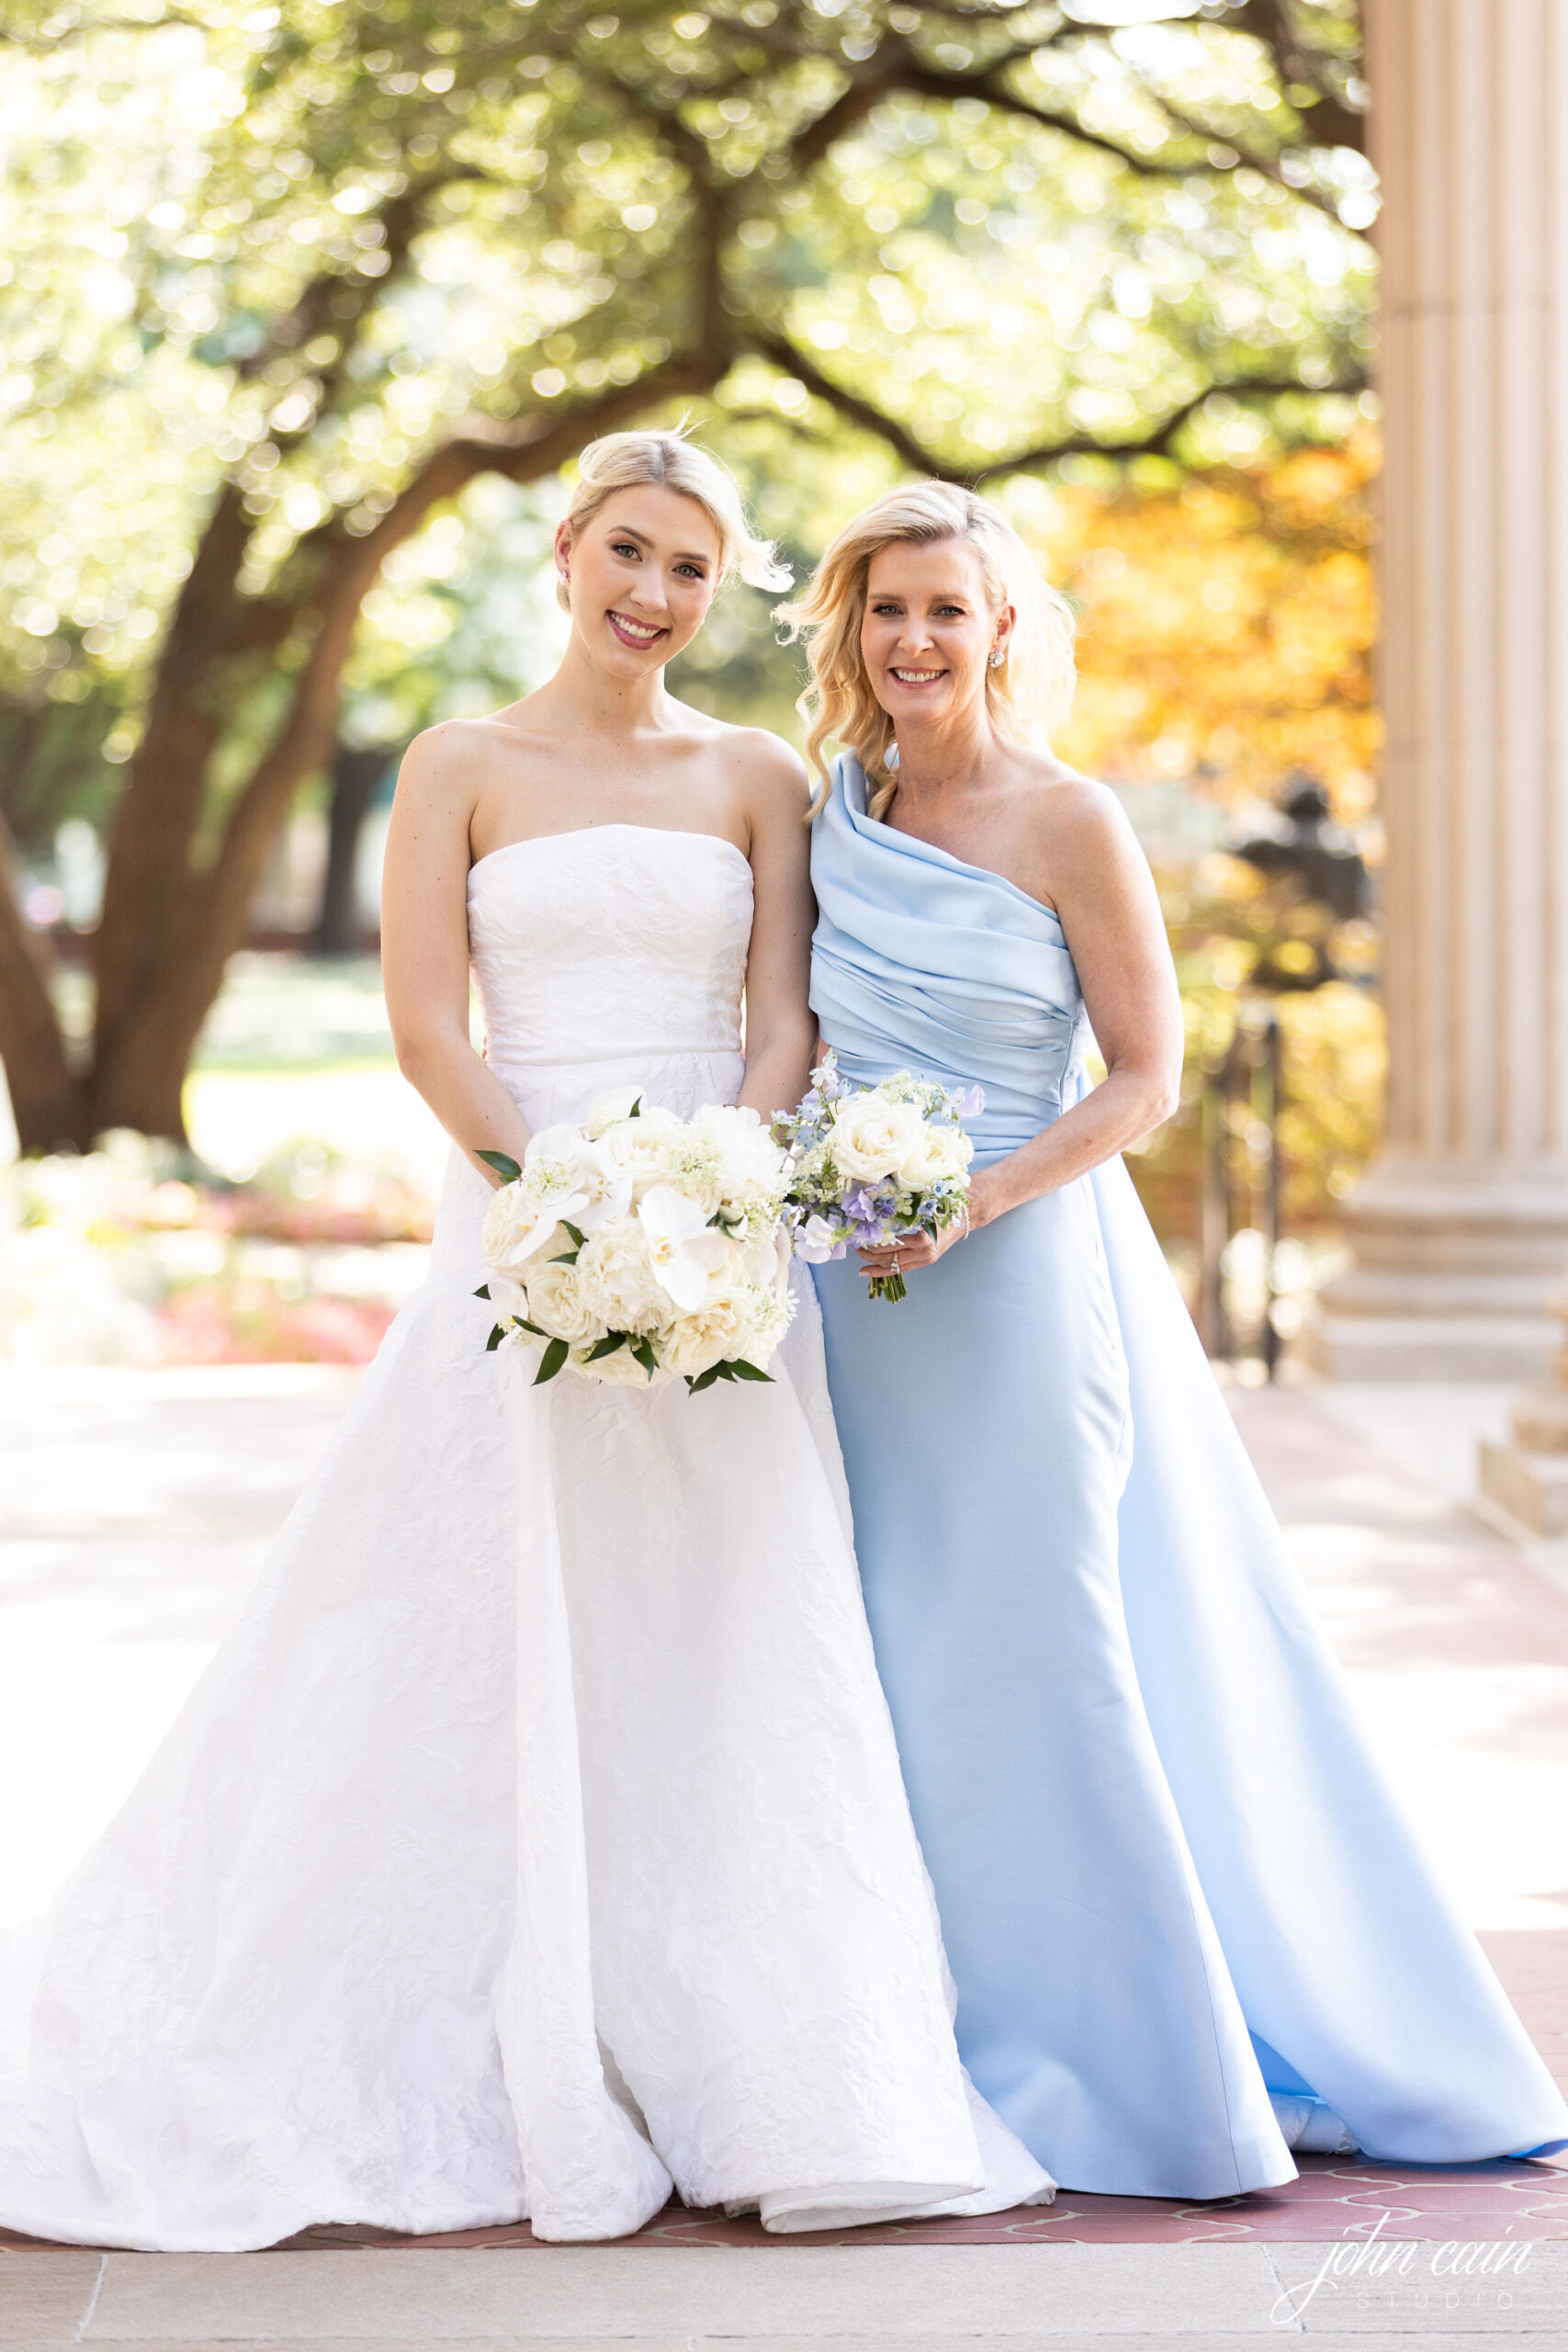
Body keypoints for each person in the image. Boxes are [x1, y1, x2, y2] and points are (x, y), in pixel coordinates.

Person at [0, 434, 1053, 2251]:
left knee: (726, 1633)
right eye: (626, 552)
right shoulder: (455, 764)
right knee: (452, 1622)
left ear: (716, 595)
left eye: (689, 571)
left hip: (723, 1259)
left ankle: (768, 2064)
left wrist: (708, 1195)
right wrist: (569, 1206)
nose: (651, 594)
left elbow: (780, 1020)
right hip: (524, 1244)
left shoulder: (752, 776)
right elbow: (425, 1025)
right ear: (565, 549)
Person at [779, 481, 1568, 2201]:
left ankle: (1143, 2077)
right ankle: (932, 2034)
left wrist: (976, 1202)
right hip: (855, 1286)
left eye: (946, 609)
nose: (915, 639)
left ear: (1003, 629)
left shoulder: (1071, 818)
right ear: (851, 628)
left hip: (1013, 1272)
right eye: (886, 609)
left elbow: (1146, 1079)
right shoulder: (835, 808)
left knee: (1047, 1651)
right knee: (894, 1653)